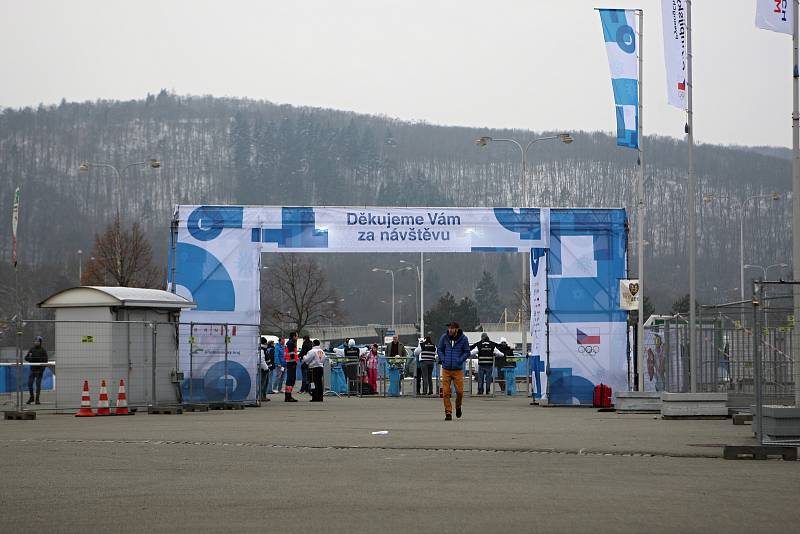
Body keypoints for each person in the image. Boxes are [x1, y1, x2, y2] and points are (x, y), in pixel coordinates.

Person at [437, 322, 470, 421]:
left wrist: (459, 360)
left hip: (458, 369)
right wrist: (443, 359)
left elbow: (467, 351)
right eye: (449, 328)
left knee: (460, 392)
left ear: (456, 329)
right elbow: (439, 349)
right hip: (446, 369)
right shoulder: (444, 337)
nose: (450, 330)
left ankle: (458, 406)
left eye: (452, 328)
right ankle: (448, 412)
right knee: (446, 392)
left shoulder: (463, 339)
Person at [24, 336, 48, 405]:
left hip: (39, 371)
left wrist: (42, 370)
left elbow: (45, 361)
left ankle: (37, 399)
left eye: (37, 341)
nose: (36, 342)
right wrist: (30, 358)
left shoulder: (43, 350)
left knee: (38, 385)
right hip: (32, 370)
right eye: (35, 341)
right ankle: (32, 398)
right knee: (29, 384)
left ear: (40, 342)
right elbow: (26, 358)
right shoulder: (31, 349)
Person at [283, 332, 300, 402]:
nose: (297, 337)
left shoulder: (289, 343)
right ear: (293, 336)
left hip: (290, 363)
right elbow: (292, 354)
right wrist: (294, 362)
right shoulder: (291, 343)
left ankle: (288, 395)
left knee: (290, 379)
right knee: (291, 379)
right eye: (296, 336)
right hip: (291, 363)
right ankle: (288, 396)